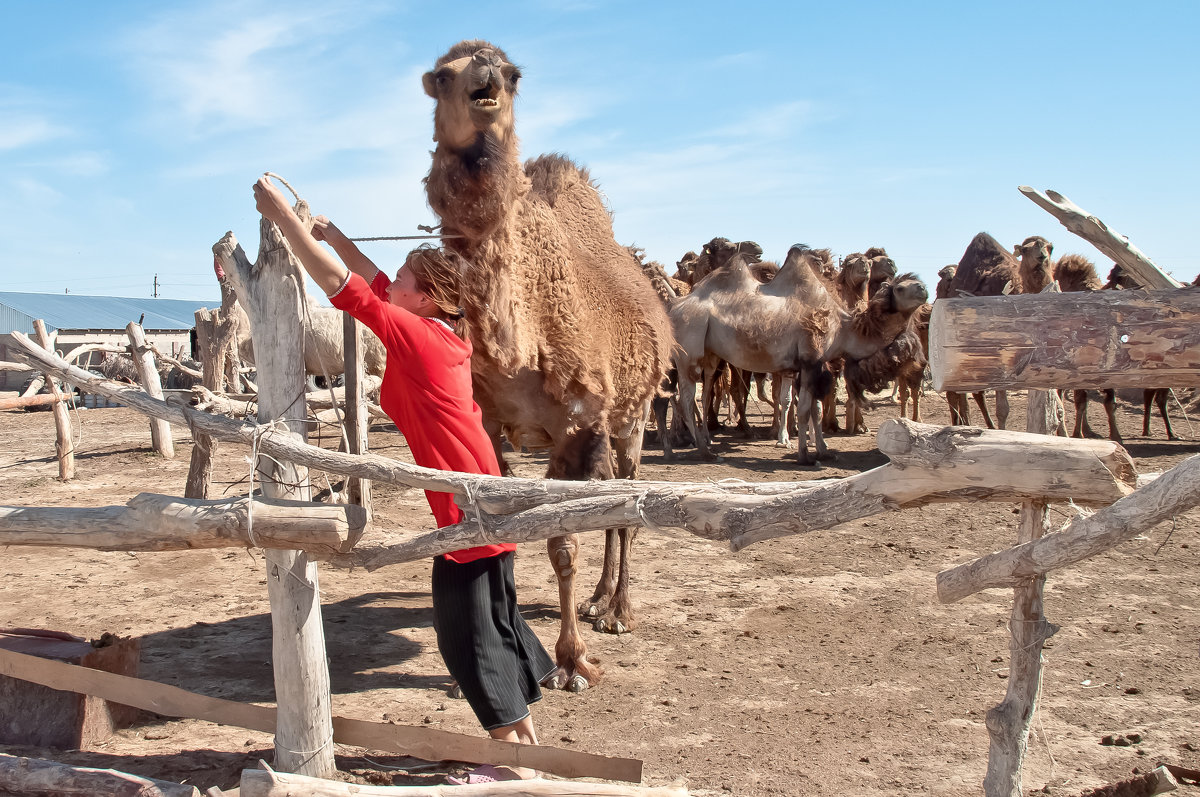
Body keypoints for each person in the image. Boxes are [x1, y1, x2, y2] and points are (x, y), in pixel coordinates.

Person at [252, 175, 554, 784]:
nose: (396, 285)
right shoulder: (440, 331)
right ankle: (530, 760)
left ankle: (520, 773)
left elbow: (342, 285)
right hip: (484, 503)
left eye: (407, 282)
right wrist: (329, 230)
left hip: (470, 512)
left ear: (429, 299)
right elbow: (368, 276)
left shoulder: (415, 337)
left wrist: (282, 216)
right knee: (489, 635)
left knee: (469, 643)